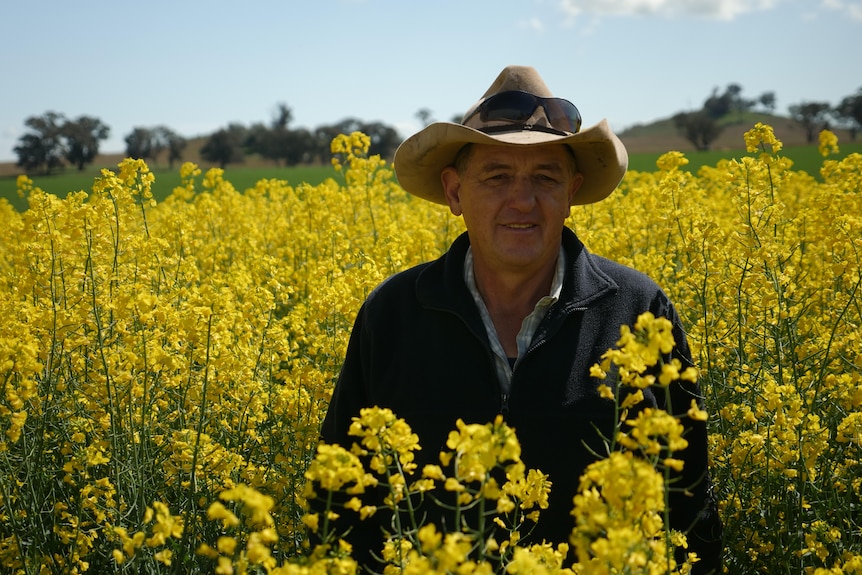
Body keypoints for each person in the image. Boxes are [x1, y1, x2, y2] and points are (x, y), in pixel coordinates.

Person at [318, 65, 723, 573]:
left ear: (571, 193)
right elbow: (337, 497)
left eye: (545, 177)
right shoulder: (392, 314)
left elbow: (689, 511)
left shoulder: (639, 310)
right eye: (497, 176)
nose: (523, 200)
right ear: (455, 192)